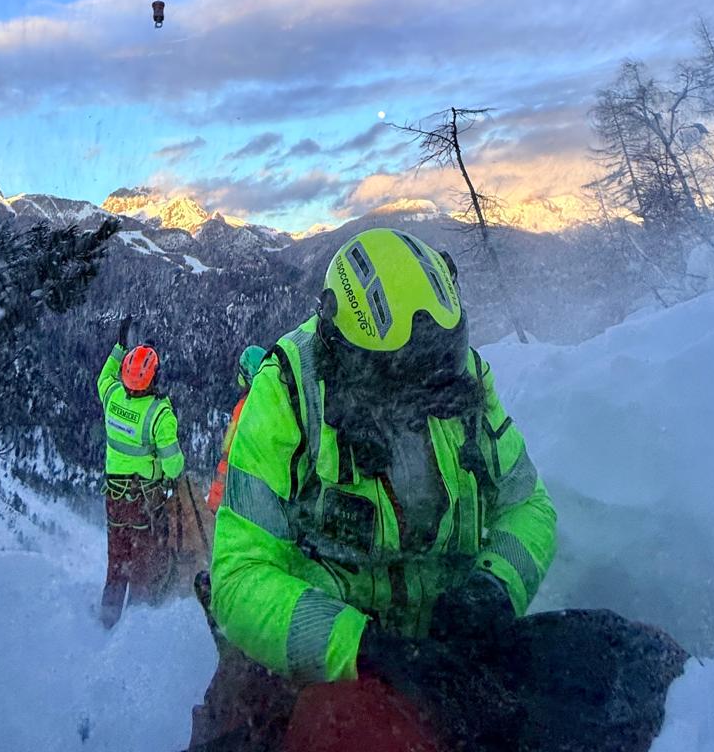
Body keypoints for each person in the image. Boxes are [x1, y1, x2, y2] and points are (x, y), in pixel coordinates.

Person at [189, 227, 684, 752]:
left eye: (439, 365)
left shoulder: (458, 377)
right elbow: (239, 579)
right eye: (405, 374)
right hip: (331, 658)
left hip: (452, 646)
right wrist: (363, 646)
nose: (427, 392)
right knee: (328, 730)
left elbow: (527, 506)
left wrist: (492, 590)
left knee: (633, 664)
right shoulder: (289, 392)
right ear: (349, 354)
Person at [96, 316, 185, 628]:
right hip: (144, 502)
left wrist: (120, 347)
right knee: (144, 564)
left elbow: (104, 377)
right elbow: (174, 465)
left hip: (114, 499)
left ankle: (108, 619)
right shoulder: (159, 414)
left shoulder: (112, 397)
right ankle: (135, 628)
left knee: (117, 559)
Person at [206, 345, 268, 512]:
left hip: (241, 496)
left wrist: (214, 504)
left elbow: (227, 454)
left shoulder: (243, 409)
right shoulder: (275, 407)